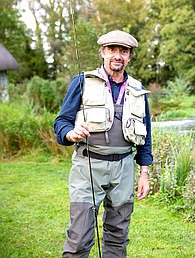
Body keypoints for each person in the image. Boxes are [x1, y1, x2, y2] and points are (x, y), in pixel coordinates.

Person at [54, 30, 153, 258]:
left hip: (124, 169)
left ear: (129, 57)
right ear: (102, 52)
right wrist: (70, 134)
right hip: (88, 165)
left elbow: (146, 137)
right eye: (112, 50)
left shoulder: (138, 90)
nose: (118, 55)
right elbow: (61, 122)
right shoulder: (82, 82)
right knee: (80, 236)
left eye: (124, 51)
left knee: (118, 236)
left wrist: (144, 173)